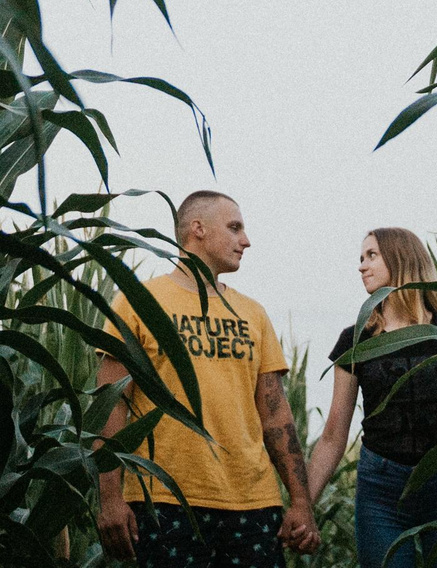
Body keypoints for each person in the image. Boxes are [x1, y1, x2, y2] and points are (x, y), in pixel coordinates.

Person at [95, 191, 320, 566]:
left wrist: (301, 502)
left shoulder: (253, 314)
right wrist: (110, 499)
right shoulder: (138, 301)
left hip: (253, 502)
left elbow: (276, 416)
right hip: (163, 499)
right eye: (234, 228)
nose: (245, 240)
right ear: (197, 229)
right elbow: (109, 403)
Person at [306, 228, 437, 568]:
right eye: (361, 258)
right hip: (381, 492)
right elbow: (333, 437)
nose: (362, 266)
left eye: (371, 256)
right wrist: (303, 509)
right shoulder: (355, 341)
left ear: (401, 259)